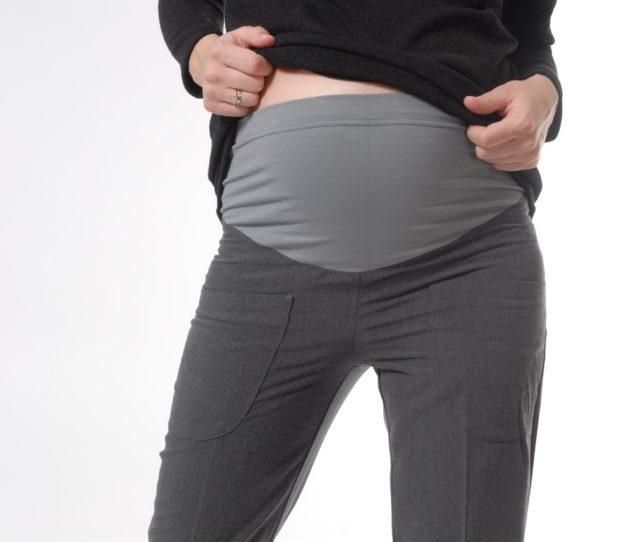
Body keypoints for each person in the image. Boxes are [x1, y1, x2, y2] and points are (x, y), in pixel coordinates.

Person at [149, 1, 560, 540]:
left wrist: (544, 94)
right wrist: (200, 51)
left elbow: (528, 32)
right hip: (266, 263)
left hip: (467, 264)